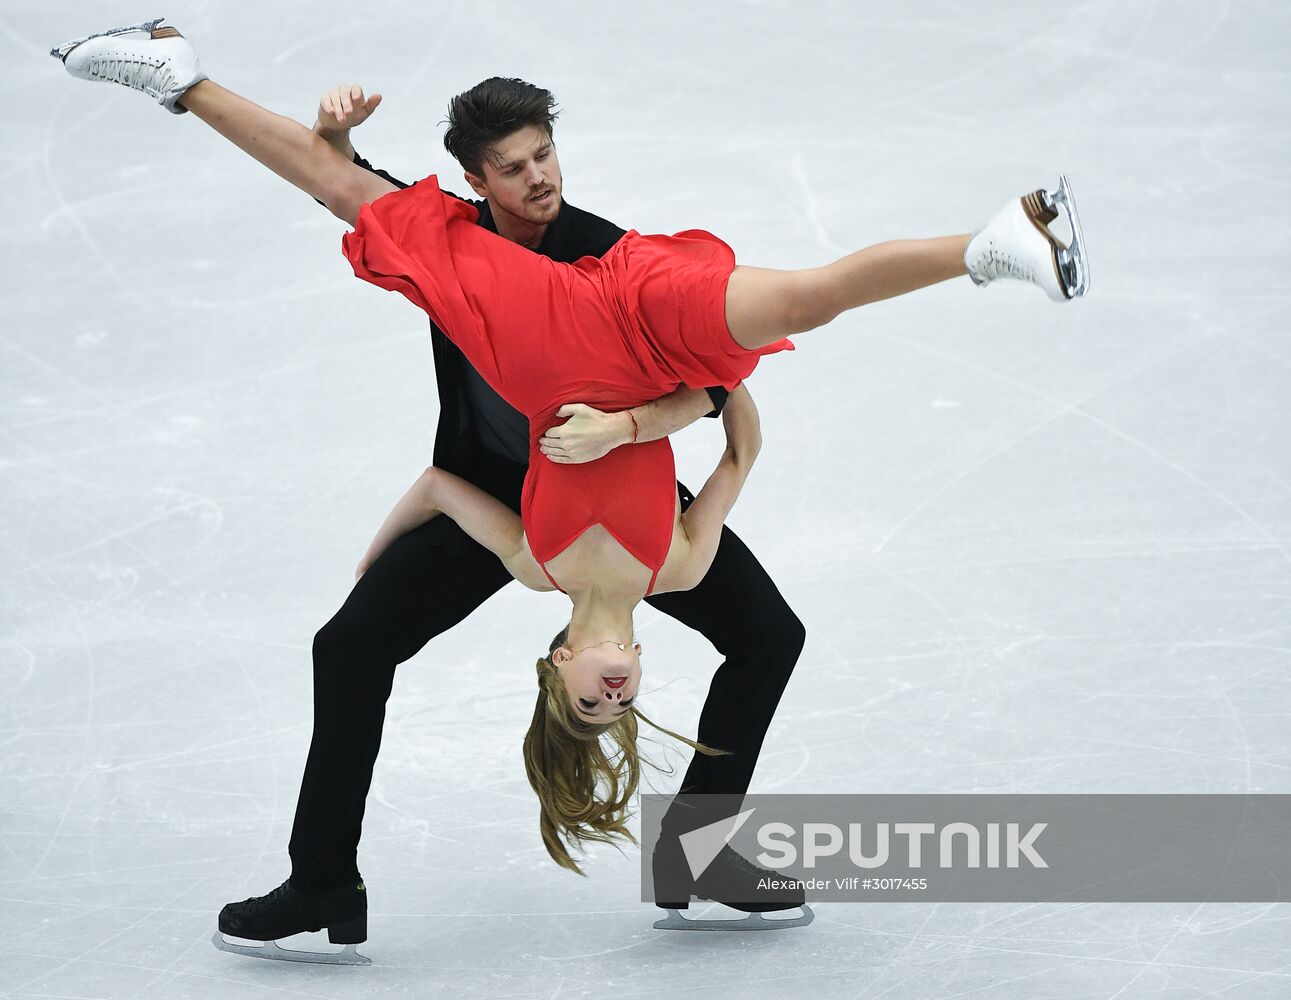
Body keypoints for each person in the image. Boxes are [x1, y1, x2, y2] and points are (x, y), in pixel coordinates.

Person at [51, 18, 1089, 960]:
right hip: (502, 499)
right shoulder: (457, 244)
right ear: (478, 180)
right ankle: (323, 879)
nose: (540, 181)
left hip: (610, 477)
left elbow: (713, 394)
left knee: (769, 628)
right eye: (514, 169)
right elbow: (339, 185)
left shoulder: (605, 257)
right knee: (349, 644)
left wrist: (630, 424)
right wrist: (306, 133)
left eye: (546, 157)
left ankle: (700, 852)